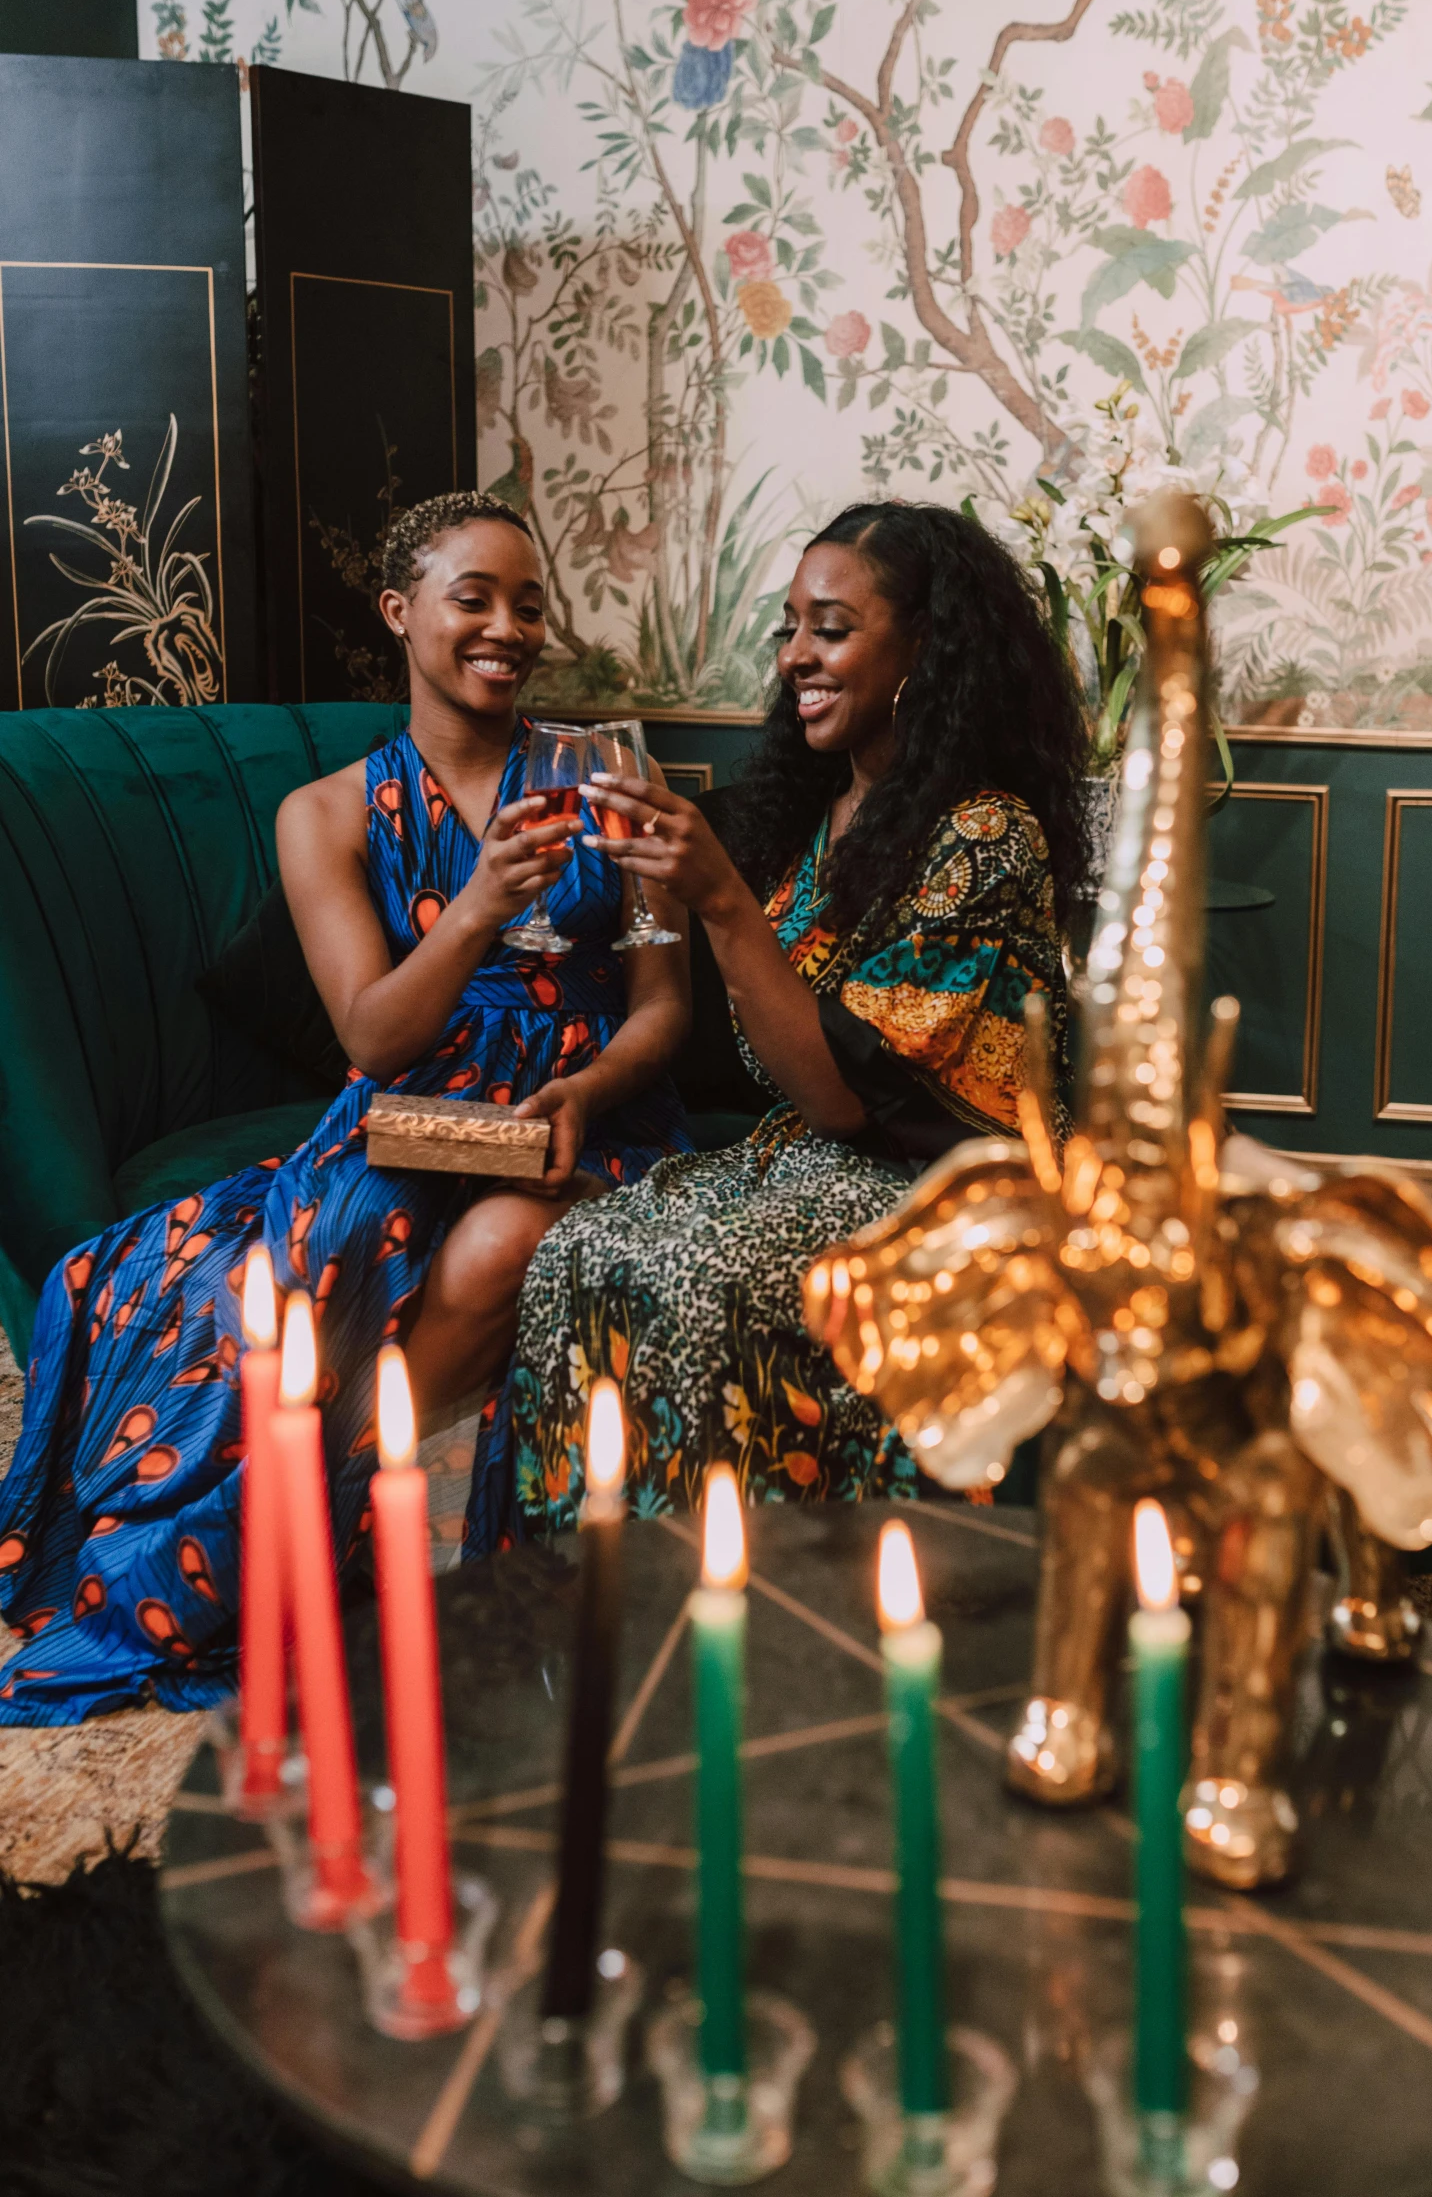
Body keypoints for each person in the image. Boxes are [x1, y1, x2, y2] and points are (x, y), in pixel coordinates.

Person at [0, 492, 689, 1721]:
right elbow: (373, 1033)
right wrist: (477, 902)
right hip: (412, 1110)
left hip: (589, 1115)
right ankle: (260, 1541)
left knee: (501, 1243)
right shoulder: (319, 814)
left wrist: (585, 1085)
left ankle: (285, 1530)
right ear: (400, 611)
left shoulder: (612, 774)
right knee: (303, 1247)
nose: (506, 626)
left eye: (528, 602)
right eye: (471, 596)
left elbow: (660, 1004)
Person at [465, 500, 1088, 1548]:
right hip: (806, 1160)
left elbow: (842, 1092)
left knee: (689, 1270)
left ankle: (733, 1602)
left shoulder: (985, 833)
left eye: (831, 628)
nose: (796, 653)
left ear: (925, 646)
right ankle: (581, 1604)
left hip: (945, 1189)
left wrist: (719, 899)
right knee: (582, 1248)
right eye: (789, 627)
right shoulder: (813, 814)